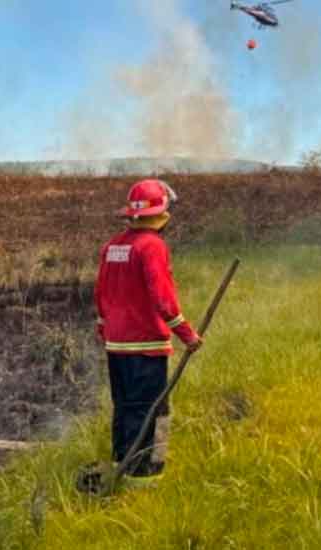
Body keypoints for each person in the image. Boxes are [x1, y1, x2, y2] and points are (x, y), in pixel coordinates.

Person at [93, 178, 202, 482]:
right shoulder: (152, 246)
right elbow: (163, 297)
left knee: (125, 407)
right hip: (146, 346)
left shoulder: (112, 246)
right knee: (153, 411)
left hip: (116, 346)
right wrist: (187, 334)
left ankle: (120, 465)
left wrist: (105, 329)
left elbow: (101, 293)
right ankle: (146, 477)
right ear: (163, 213)